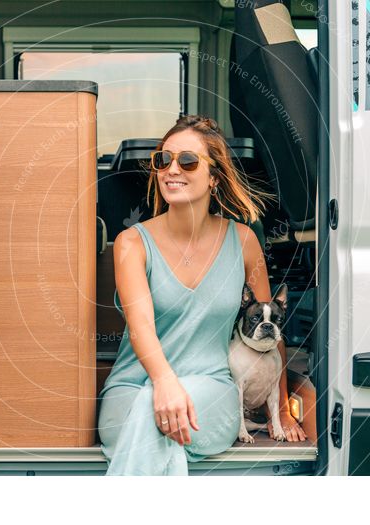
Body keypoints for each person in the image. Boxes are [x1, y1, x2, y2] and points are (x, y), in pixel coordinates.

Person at [97, 114, 307, 476]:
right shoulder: (132, 243)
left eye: (187, 161)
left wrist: (285, 410)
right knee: (151, 414)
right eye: (162, 160)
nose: (170, 169)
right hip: (134, 386)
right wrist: (163, 384)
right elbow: (140, 326)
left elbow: (271, 327)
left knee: (153, 427)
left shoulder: (243, 241)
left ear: (214, 177)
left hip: (211, 390)